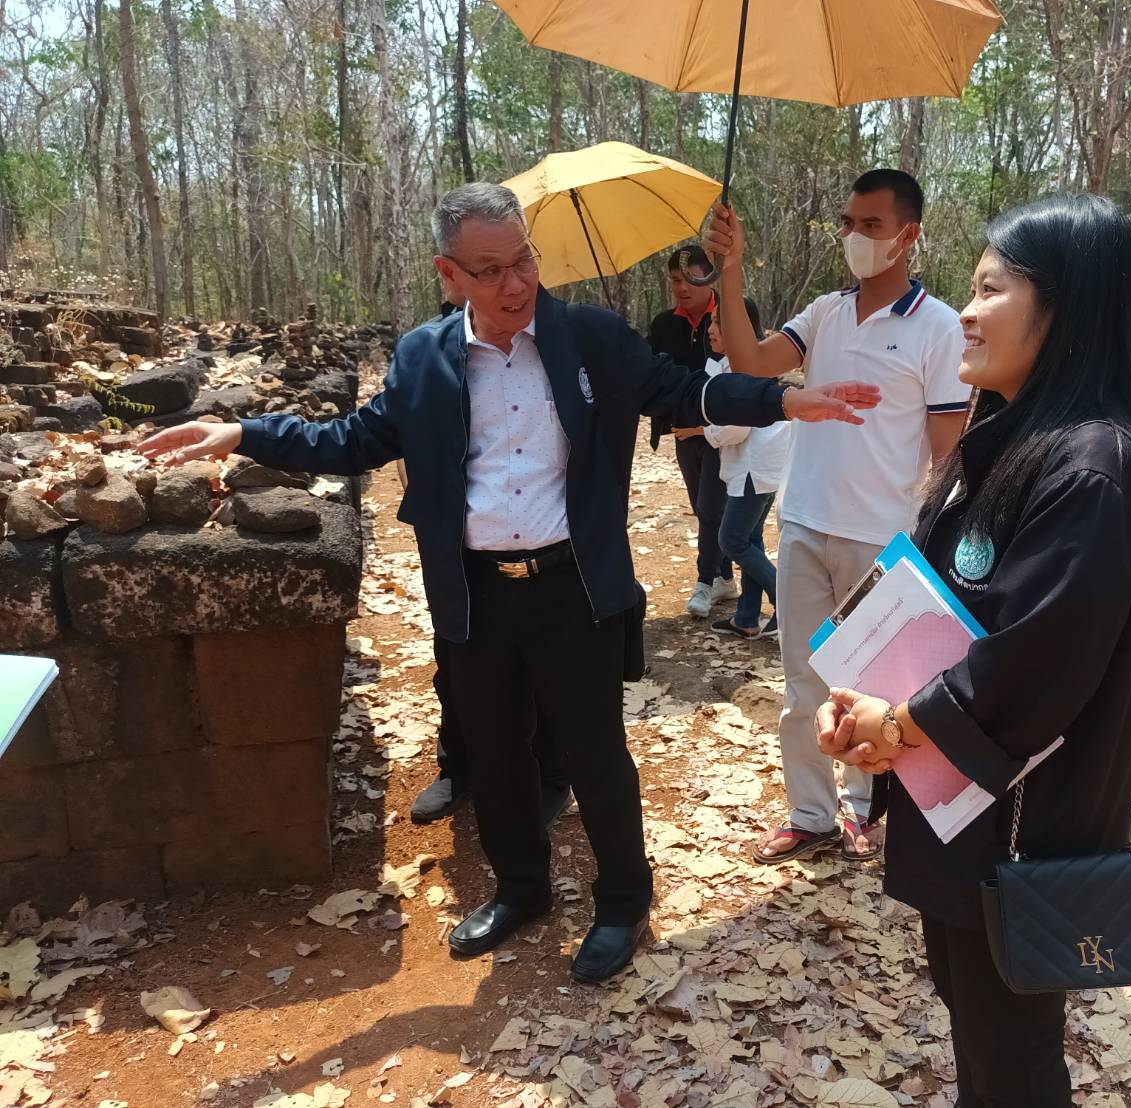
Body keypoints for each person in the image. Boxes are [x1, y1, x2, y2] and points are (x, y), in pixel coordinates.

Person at [139, 182, 879, 984]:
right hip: (476, 591)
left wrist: (781, 398)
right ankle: (522, 888)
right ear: (448, 274)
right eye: (489, 270)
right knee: (493, 754)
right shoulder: (425, 357)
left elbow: (681, 389)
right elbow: (354, 438)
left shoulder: (588, 338)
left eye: (522, 259)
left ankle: (624, 900)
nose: (515, 283)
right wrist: (242, 430)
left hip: (574, 587)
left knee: (594, 753)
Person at [816, 194, 1131, 1107]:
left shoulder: (1089, 466)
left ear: (1065, 307)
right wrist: (856, 703)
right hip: (951, 798)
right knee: (975, 1018)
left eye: (990, 288)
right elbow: (924, 604)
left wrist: (898, 724)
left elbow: (1034, 662)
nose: (964, 312)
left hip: (1019, 821)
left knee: (1011, 1059)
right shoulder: (1003, 440)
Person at [703, 169, 971, 865]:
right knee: (802, 686)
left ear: (907, 236)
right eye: (849, 223)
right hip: (803, 523)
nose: (855, 237)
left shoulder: (938, 328)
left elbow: (949, 449)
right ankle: (810, 814)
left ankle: (866, 810)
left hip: (883, 539)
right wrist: (728, 273)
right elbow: (750, 362)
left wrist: (937, 542)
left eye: (871, 226)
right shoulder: (825, 312)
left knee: (878, 690)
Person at [398, 285, 572, 826]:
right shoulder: (429, 348)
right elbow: (404, 433)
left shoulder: (557, 343)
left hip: (544, 550)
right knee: (455, 660)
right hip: (460, 546)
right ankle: (459, 766)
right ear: (452, 278)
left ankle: (548, 774)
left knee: (542, 673)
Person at [647, 248, 739, 618]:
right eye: (674, 280)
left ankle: (704, 582)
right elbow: (653, 375)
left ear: (709, 278)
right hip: (683, 432)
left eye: (688, 278)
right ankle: (725, 578)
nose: (680, 287)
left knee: (713, 508)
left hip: (725, 431)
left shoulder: (732, 313)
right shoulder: (664, 324)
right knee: (702, 508)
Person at [700, 300, 788, 639]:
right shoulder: (737, 364)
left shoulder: (739, 367)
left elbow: (736, 428)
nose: (711, 329)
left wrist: (706, 430)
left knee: (731, 539)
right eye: (712, 321)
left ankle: (786, 601)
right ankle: (747, 617)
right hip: (762, 466)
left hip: (753, 467)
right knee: (750, 538)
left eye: (719, 321)